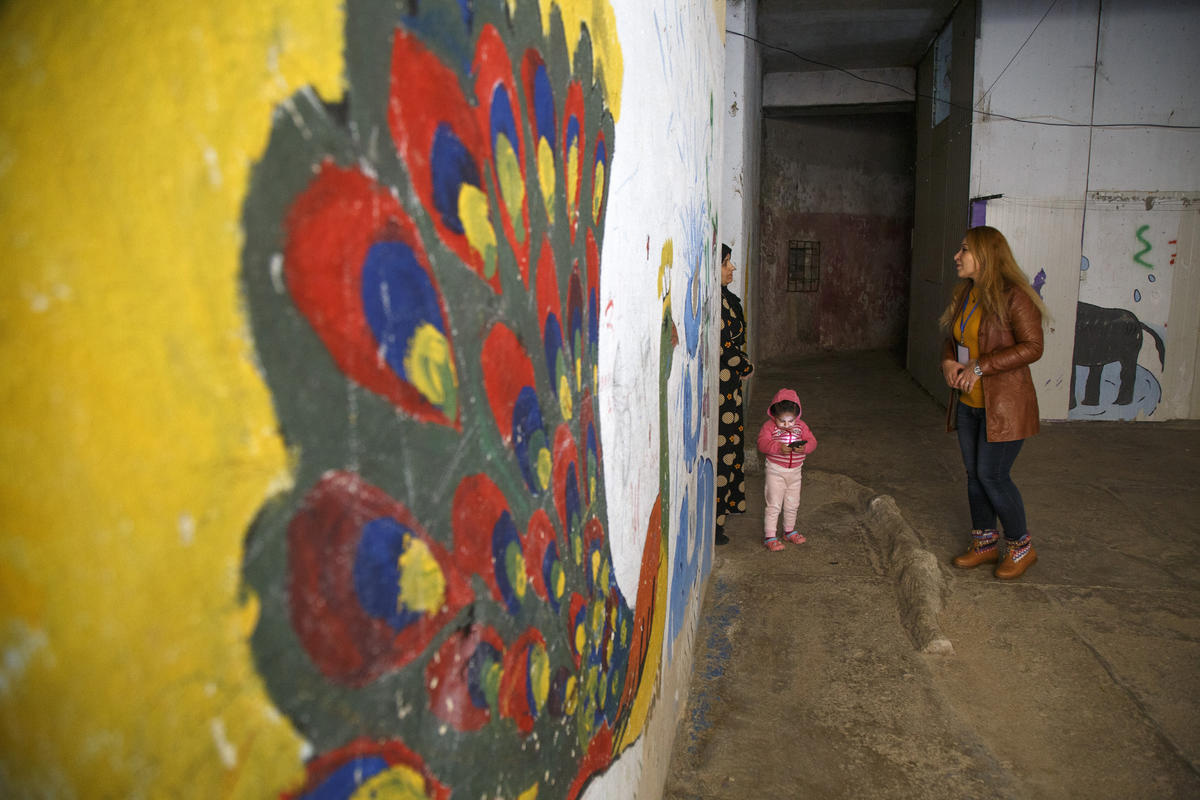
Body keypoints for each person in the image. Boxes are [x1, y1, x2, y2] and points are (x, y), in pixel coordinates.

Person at [940, 225, 1049, 580]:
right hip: (969, 402)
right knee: (974, 476)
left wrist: (981, 365)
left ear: (985, 256)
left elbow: (1033, 347)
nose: (958, 256)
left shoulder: (1015, 295)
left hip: (1004, 407)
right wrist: (948, 362)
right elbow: (955, 338)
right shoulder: (965, 293)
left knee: (993, 475)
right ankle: (985, 543)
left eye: (965, 250)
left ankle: (1021, 546)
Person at [716, 244, 753, 545]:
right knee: (723, 449)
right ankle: (715, 524)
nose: (732, 268)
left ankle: (727, 507)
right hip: (720, 390)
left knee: (732, 445)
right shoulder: (714, 302)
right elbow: (723, 346)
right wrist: (745, 364)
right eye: (726, 262)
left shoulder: (727, 299)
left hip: (730, 388)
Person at [756, 389, 817, 552]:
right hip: (775, 471)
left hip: (796, 472)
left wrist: (805, 447)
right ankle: (770, 536)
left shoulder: (801, 426)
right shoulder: (769, 427)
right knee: (774, 504)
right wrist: (777, 447)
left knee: (793, 503)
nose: (787, 425)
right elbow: (762, 444)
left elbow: (813, 442)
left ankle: (789, 531)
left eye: (791, 421)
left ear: (797, 416)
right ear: (774, 416)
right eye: (782, 421)